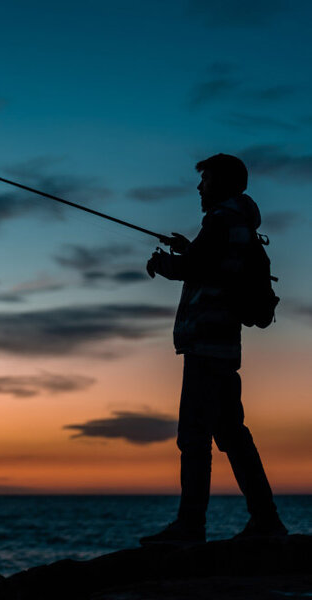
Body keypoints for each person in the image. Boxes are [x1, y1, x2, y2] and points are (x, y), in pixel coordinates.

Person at [141, 154, 287, 543]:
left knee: (194, 436)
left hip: (206, 342)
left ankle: (190, 527)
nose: (199, 188)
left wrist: (165, 263)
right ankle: (267, 521)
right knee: (232, 434)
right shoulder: (239, 223)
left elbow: (196, 268)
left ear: (221, 182)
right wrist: (189, 250)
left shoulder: (221, 219)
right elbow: (214, 262)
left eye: (204, 180)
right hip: (224, 344)